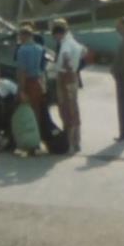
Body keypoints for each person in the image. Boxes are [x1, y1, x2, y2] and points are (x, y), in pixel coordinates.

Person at [51, 21, 87, 153]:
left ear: (59, 34)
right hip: (73, 78)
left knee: (66, 110)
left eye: (55, 36)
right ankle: (77, 142)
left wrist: (68, 68)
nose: (55, 39)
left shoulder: (65, 44)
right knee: (74, 109)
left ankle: (69, 144)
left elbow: (66, 57)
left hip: (65, 77)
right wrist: (76, 67)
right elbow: (84, 51)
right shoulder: (73, 41)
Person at [16, 25, 47, 129]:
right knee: (36, 110)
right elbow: (42, 67)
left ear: (25, 36)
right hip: (37, 81)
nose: (19, 38)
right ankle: (36, 134)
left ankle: (27, 134)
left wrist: (21, 90)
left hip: (27, 82)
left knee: (25, 110)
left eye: (20, 36)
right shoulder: (39, 48)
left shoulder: (22, 50)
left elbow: (22, 71)